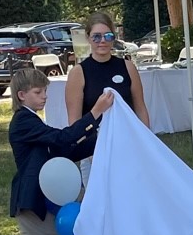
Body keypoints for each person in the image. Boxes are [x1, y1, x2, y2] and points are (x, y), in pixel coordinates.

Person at [8, 67, 112, 235]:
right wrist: (95, 113)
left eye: (44, 91)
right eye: (38, 92)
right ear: (21, 95)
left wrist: (98, 139)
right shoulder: (23, 121)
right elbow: (62, 140)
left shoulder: (32, 121)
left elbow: (62, 150)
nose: (44, 96)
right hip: (34, 205)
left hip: (30, 204)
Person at [63, 12, 149, 168]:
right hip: (94, 150)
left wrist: (146, 142)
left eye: (108, 36)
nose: (102, 41)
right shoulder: (79, 72)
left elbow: (140, 108)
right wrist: (89, 153)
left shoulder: (128, 67)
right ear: (88, 38)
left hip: (128, 145)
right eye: (96, 37)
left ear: (114, 38)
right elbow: (74, 121)